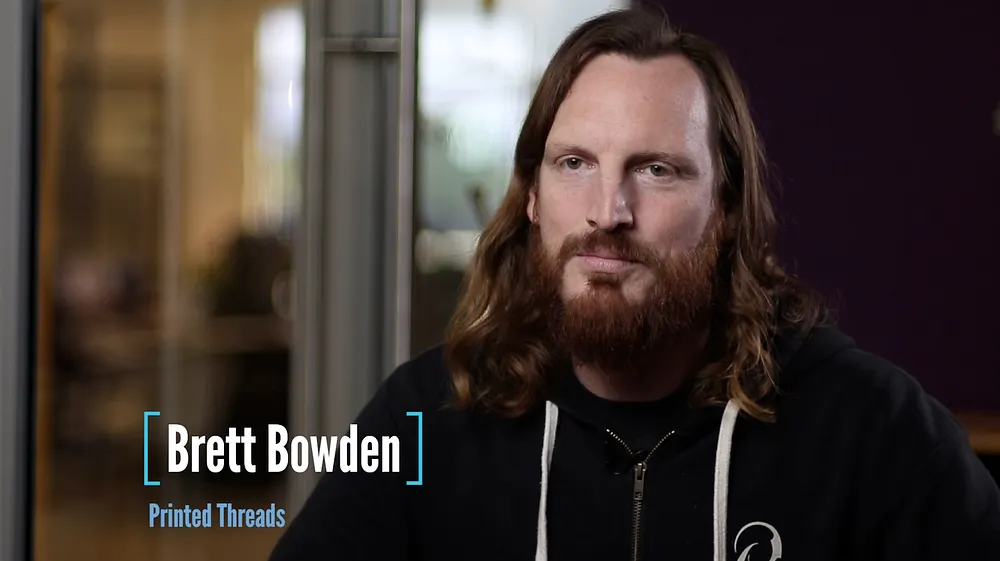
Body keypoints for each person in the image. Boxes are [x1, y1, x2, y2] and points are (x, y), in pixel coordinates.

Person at [269, 7, 1000, 560]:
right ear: (531, 196)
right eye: (574, 163)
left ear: (726, 209)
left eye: (656, 169)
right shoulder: (426, 420)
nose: (607, 212)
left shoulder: (871, 431)